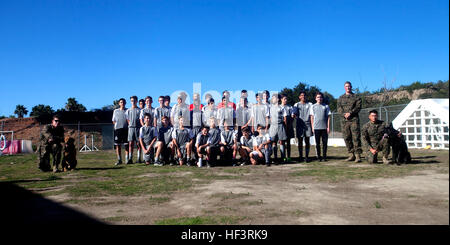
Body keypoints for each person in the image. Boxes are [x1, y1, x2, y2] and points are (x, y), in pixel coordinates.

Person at [337, 81, 363, 162]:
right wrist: (344, 114)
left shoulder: (356, 97)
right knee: (347, 137)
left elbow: (358, 107)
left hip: (354, 120)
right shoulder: (340, 98)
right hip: (344, 121)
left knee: (356, 137)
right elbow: (339, 108)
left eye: (349, 86)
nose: (348, 87)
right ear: (344, 87)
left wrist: (350, 113)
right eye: (346, 86)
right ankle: (351, 154)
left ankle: (358, 155)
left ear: (351, 87)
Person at [292, 92, 313, 162]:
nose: (303, 96)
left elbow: (311, 115)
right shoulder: (296, 104)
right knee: (300, 141)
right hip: (299, 125)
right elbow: (294, 113)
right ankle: (300, 156)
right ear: (299, 97)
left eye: (304, 95)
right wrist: (293, 115)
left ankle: (306, 156)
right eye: (301, 95)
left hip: (307, 124)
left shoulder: (310, 104)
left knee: (307, 141)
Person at [310, 92, 331, 162]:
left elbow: (328, 117)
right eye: (318, 97)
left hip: (324, 128)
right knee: (317, 143)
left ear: (322, 98)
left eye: (320, 97)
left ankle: (324, 156)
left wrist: (328, 127)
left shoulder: (326, 106)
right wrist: (312, 127)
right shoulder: (313, 106)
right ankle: (319, 157)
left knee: (325, 143)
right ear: (315, 98)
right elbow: (312, 117)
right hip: (316, 128)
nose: (319, 98)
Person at [268, 93, 288, 164]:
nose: (273, 99)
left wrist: (285, 127)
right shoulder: (270, 107)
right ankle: (275, 158)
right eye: (272, 98)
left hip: (280, 125)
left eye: (274, 98)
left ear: (278, 99)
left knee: (282, 142)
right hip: (273, 126)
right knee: (274, 142)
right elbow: (268, 117)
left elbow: (285, 118)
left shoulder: (281, 107)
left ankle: (283, 158)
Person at [112, 98, 129, 165]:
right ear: (119, 103)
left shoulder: (127, 110)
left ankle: (127, 159)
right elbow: (113, 121)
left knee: (126, 145)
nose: (122, 103)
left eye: (124, 102)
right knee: (118, 145)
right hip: (118, 130)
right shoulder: (115, 111)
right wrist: (117, 126)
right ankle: (119, 160)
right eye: (121, 102)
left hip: (125, 129)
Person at [138, 96, 154, 163]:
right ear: (145, 102)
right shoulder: (143, 110)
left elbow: (155, 120)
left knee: (152, 143)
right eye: (147, 101)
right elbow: (141, 119)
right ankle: (140, 158)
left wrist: (152, 128)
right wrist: (145, 127)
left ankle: (154, 158)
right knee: (143, 143)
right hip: (145, 129)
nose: (148, 102)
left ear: (152, 101)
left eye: (150, 100)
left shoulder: (154, 110)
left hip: (152, 129)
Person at [126, 95, 141, 164]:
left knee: (138, 143)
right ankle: (130, 158)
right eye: (132, 101)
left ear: (136, 101)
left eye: (134, 101)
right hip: (131, 128)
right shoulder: (128, 110)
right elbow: (127, 120)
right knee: (130, 143)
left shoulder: (140, 110)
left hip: (138, 128)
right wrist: (130, 125)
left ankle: (138, 158)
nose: (133, 102)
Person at [189, 93, 204, 164]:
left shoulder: (201, 111)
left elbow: (203, 121)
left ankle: (199, 158)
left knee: (198, 143)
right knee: (192, 144)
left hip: (200, 129)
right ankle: (194, 158)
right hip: (193, 129)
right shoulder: (190, 111)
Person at [281, 94, 294, 162]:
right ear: (281, 99)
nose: (285, 100)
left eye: (286, 99)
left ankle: (288, 156)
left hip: (289, 126)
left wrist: (291, 121)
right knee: (282, 142)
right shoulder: (279, 107)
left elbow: (292, 116)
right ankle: (283, 156)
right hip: (281, 126)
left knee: (288, 142)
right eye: (284, 99)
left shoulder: (290, 107)